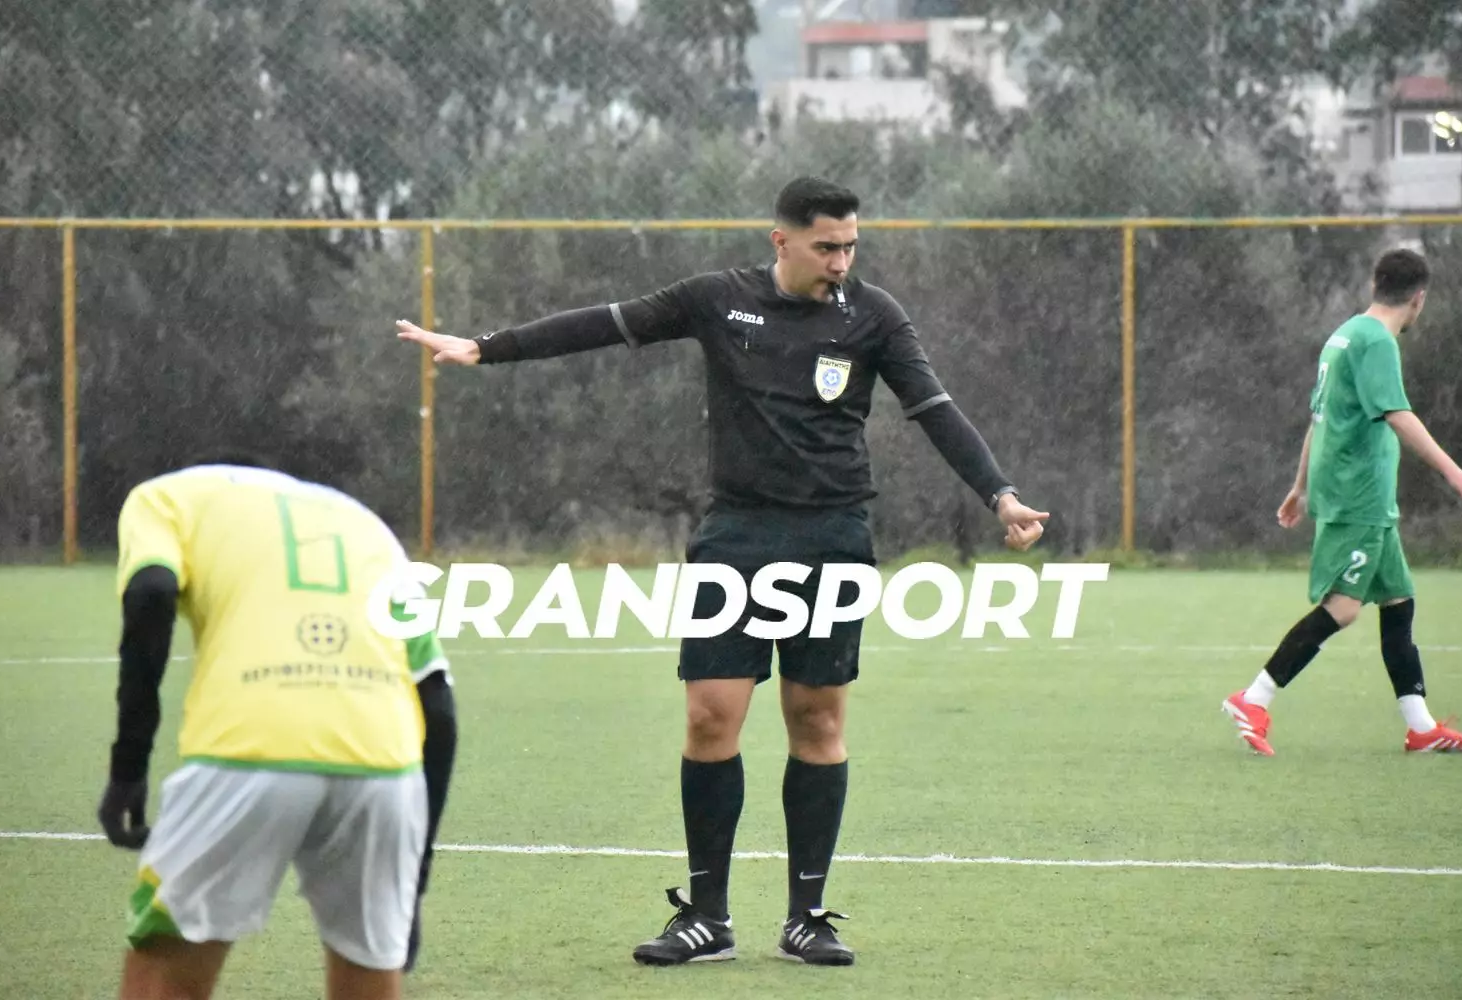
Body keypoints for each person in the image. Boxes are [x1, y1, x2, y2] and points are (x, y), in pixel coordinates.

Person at [395, 176, 1048, 967]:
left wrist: (1000, 495)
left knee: (817, 722)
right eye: (826, 247)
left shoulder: (874, 315)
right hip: (737, 533)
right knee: (710, 717)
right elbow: (610, 323)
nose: (841, 262)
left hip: (833, 535)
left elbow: (934, 408)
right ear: (782, 240)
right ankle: (707, 918)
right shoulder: (718, 299)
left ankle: (807, 918)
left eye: (851, 246)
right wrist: (485, 347)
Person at [96, 451, 458, 1000]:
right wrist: (415, 880)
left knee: (164, 982)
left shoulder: (167, 496)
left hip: (245, 752)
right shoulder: (366, 525)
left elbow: (151, 591)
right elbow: (438, 708)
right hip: (385, 765)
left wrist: (128, 766)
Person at [1222, 248, 1462, 756]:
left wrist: (1300, 485)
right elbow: (1398, 414)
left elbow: (1320, 419)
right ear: (1419, 298)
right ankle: (1253, 698)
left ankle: (1420, 726)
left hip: (1363, 497)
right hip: (1356, 496)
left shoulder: (1344, 334)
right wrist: (1454, 472)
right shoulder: (1377, 343)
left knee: (1398, 602)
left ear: (1373, 285)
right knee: (1342, 609)